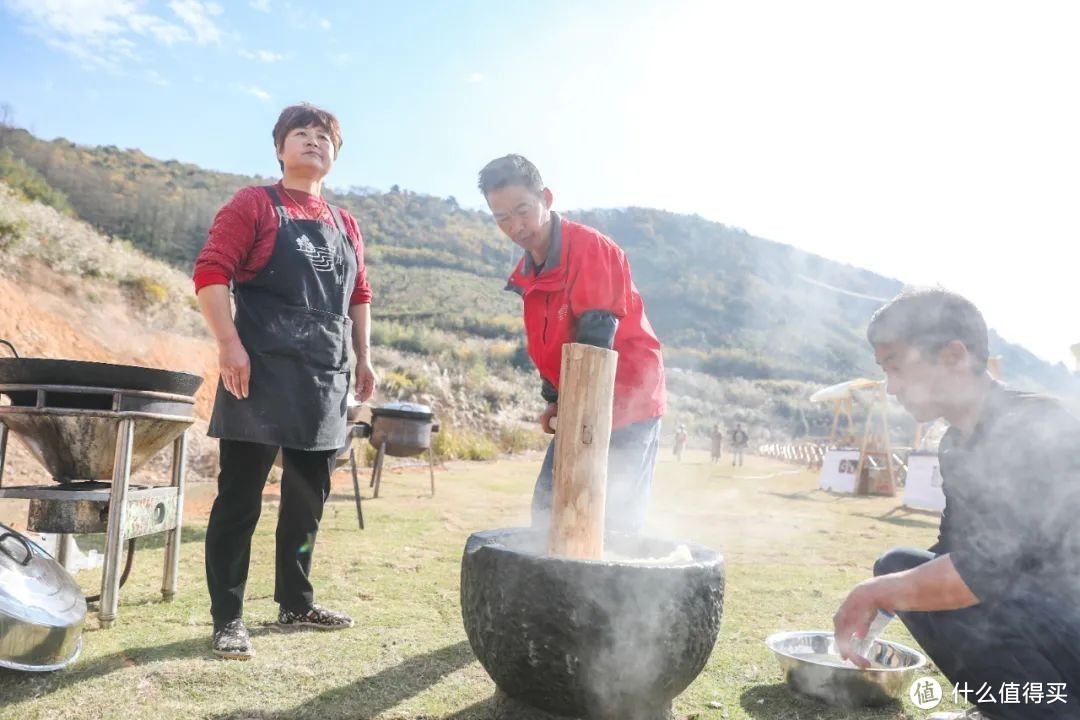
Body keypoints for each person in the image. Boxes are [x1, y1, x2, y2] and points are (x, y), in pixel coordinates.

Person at [832, 289, 1080, 720]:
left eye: (895, 366)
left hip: (1068, 618)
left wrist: (878, 594)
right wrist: (888, 597)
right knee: (896, 566)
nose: (891, 389)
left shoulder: (1039, 425)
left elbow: (985, 570)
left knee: (905, 583)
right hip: (1040, 611)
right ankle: (1010, 709)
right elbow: (951, 550)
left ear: (952, 356)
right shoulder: (955, 444)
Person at [193, 103, 377, 660]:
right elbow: (210, 272)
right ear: (279, 148)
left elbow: (359, 296)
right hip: (260, 370)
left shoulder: (346, 224)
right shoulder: (255, 204)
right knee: (240, 499)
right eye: (301, 133)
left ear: (335, 155)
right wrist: (230, 345)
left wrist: (364, 358)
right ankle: (229, 617)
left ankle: (295, 601)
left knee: (307, 500)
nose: (313, 142)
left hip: (324, 377)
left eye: (325, 137)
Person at [478, 154, 666, 534]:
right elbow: (550, 345)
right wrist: (554, 399)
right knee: (549, 511)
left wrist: (573, 408)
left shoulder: (591, 250)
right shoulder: (529, 274)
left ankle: (628, 593)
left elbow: (595, 345)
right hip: (581, 399)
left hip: (627, 398)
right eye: (502, 219)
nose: (516, 226)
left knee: (612, 520)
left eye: (523, 210)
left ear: (545, 197)